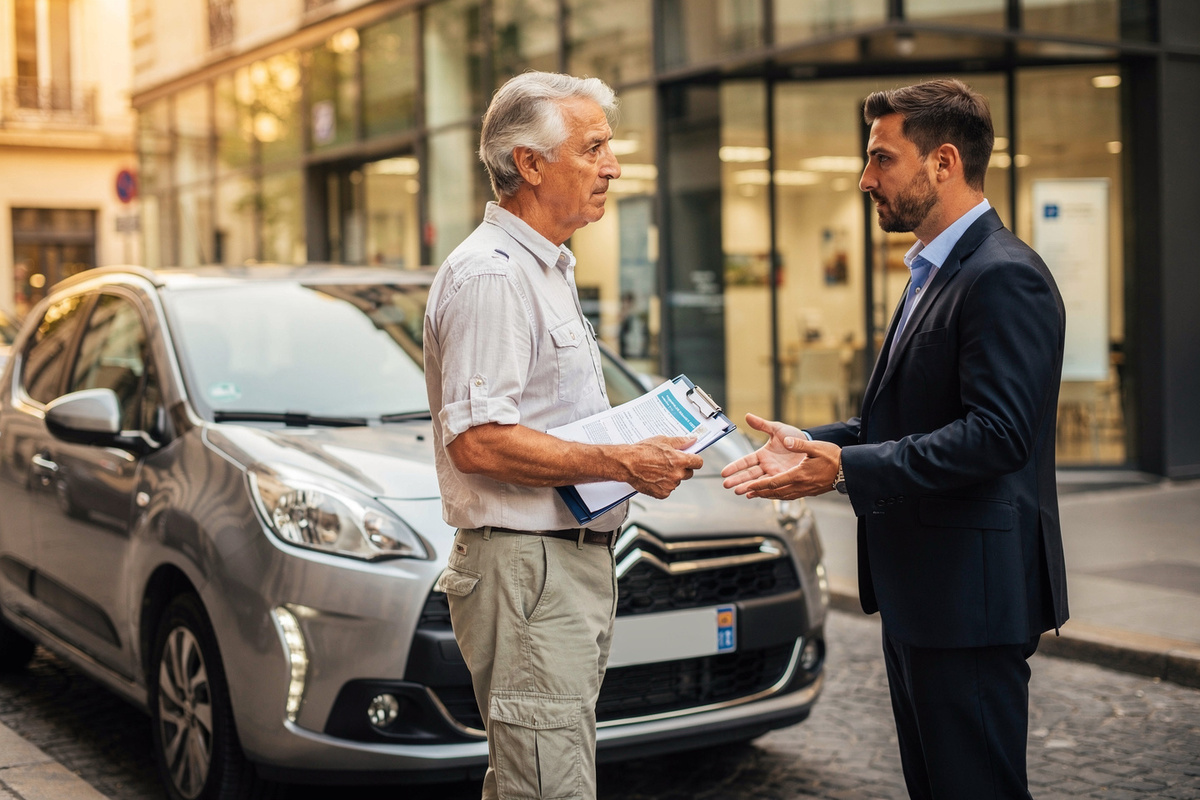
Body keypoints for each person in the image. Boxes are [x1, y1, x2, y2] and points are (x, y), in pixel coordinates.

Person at [721, 79, 1068, 799]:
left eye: (881, 158)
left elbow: (998, 436)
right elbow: (908, 421)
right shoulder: (931, 272)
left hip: (969, 601)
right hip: (927, 593)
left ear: (943, 163)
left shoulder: (1004, 277)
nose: (864, 178)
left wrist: (844, 466)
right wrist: (809, 441)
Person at [424, 72, 703, 800]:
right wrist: (622, 459)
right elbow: (478, 442)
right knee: (548, 787)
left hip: (556, 568)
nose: (612, 165)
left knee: (537, 778)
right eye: (595, 147)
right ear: (530, 163)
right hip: (529, 571)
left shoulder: (545, 268)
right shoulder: (492, 276)